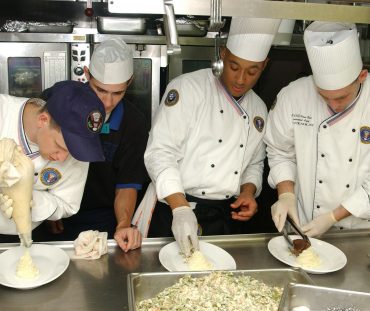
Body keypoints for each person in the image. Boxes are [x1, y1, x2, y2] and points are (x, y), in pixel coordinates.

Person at [144, 17, 282, 256]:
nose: (241, 80)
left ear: (265, 65)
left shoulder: (259, 109)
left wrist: (248, 192)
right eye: (234, 67)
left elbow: (254, 163)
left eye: (252, 71)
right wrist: (180, 209)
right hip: (177, 208)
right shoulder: (187, 89)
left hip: (225, 216)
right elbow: (160, 153)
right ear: (224, 55)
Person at [264, 21, 370, 237]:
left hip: (362, 231)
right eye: (323, 96)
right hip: (305, 226)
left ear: (362, 77)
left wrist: (332, 217)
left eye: (341, 97)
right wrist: (286, 194)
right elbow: (280, 151)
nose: (333, 105)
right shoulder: (294, 96)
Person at [42, 39, 149, 252]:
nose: (108, 102)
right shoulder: (58, 100)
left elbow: (127, 184)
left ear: (130, 82)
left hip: (102, 217)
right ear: (87, 74)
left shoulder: (133, 123)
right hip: (52, 208)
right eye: (100, 90)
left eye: (117, 93)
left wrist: (123, 225)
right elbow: (36, 154)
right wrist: (46, 208)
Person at [0, 81, 105, 243]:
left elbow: (67, 204)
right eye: (60, 146)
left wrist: (28, 198)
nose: (63, 158)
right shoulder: (3, 112)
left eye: (72, 152)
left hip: (29, 236)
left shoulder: (77, 152)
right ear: (43, 120)